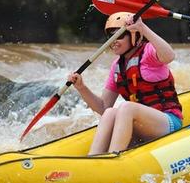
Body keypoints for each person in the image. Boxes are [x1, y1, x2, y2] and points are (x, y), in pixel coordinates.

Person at [68, 12, 183, 155]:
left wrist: (142, 27)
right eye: (110, 36)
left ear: (134, 36)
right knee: (110, 112)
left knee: (127, 107)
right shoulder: (117, 66)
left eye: (119, 35)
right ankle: (93, 157)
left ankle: (114, 157)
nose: (113, 40)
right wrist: (81, 87)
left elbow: (169, 55)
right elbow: (104, 107)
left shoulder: (148, 52)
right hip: (141, 127)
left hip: (167, 122)